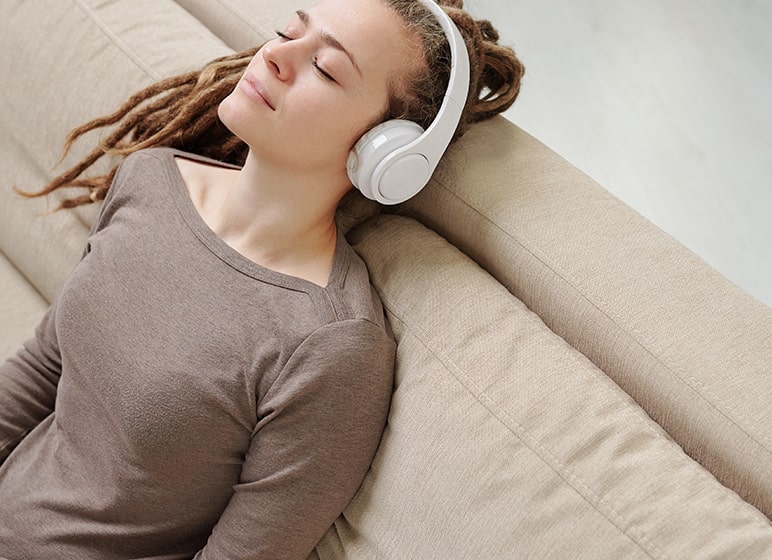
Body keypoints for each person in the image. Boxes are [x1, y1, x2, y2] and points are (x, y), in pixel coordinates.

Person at [0, 0, 524, 558]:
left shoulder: (332, 348)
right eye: (288, 32)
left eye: (326, 68)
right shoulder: (150, 178)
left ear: (386, 150)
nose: (275, 55)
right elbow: (43, 369)